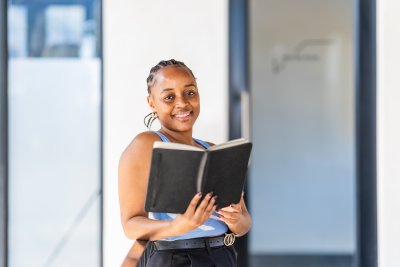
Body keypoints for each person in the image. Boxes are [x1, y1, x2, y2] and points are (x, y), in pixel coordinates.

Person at [118, 59, 252, 267]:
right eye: (169, 97)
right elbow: (130, 225)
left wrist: (235, 220)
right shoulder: (146, 144)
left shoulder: (212, 150)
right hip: (176, 258)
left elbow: (244, 224)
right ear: (152, 103)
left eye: (190, 93)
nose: (182, 103)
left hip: (222, 256)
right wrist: (179, 225)